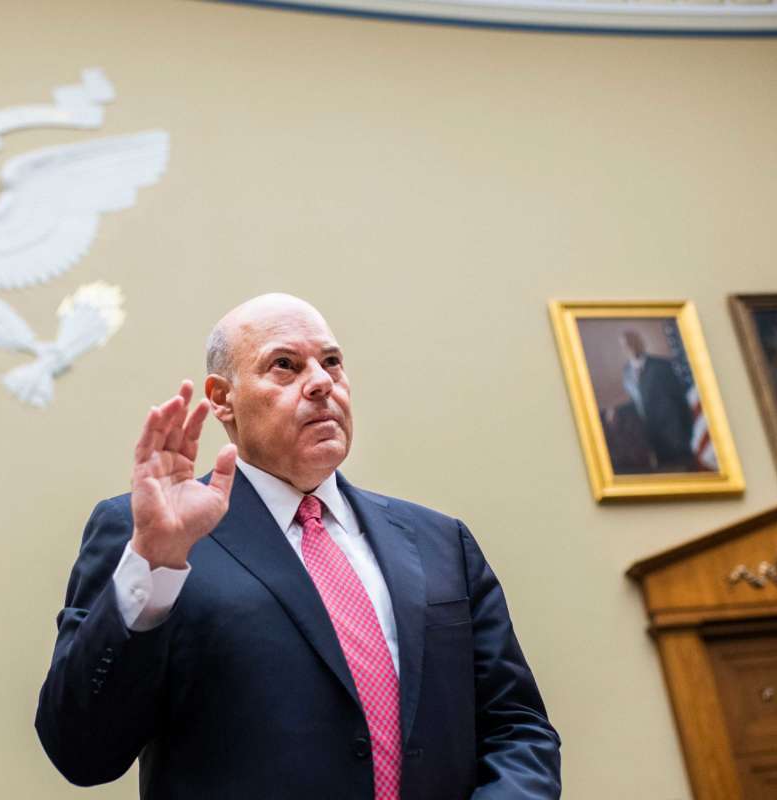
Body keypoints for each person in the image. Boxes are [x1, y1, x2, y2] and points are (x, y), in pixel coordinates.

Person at [35, 294, 560, 799]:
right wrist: (154, 567)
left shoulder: (441, 541)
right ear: (222, 399)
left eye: (331, 363)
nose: (320, 384)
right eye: (285, 365)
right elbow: (82, 753)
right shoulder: (149, 533)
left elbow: (518, 729)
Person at [619, 330, 697, 472]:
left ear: (642, 343)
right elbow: (637, 401)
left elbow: (681, 401)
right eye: (627, 344)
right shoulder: (626, 373)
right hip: (652, 439)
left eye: (635, 342)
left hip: (675, 436)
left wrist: (687, 435)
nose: (632, 347)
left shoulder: (662, 366)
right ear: (623, 348)